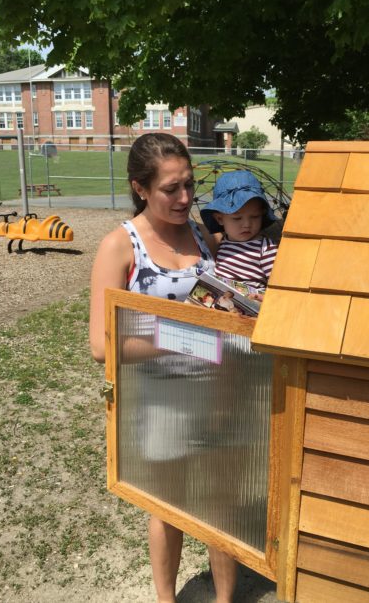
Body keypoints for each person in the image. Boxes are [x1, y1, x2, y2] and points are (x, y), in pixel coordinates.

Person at [89, 133, 238, 603]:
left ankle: (225, 599)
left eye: (189, 185)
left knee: (221, 505)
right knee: (168, 506)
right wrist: (191, 334)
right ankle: (165, 599)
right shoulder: (120, 246)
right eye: (170, 189)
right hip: (161, 401)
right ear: (140, 188)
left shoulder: (202, 234)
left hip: (221, 391)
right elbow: (101, 345)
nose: (185, 198)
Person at [200, 170, 279, 300]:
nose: (247, 224)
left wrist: (265, 298)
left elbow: (279, 284)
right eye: (237, 218)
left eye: (254, 217)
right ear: (220, 219)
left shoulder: (265, 248)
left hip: (252, 308)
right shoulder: (223, 243)